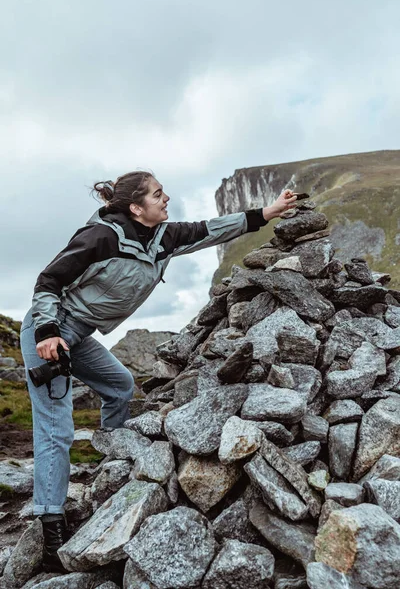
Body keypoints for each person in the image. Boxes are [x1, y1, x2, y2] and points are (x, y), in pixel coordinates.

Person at [20, 170, 297, 571]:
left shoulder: (162, 238)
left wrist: (267, 212)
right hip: (49, 332)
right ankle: (51, 525)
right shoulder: (101, 238)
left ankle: (110, 466)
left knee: (120, 385)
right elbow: (48, 281)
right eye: (157, 194)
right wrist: (46, 332)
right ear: (136, 207)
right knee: (55, 427)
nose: (166, 199)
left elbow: (209, 229)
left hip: (78, 334)